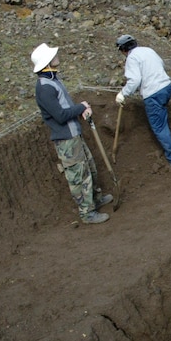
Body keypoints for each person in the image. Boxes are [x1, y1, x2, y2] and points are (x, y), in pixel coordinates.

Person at [32, 43, 114, 225]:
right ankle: (87, 213)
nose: (57, 56)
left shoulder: (53, 80)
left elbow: (65, 107)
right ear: (47, 62)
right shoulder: (45, 88)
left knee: (89, 168)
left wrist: (80, 110)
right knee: (79, 176)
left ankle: (95, 199)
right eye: (53, 55)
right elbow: (60, 116)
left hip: (74, 135)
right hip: (66, 141)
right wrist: (81, 107)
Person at [114, 34, 171, 169]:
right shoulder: (148, 50)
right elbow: (161, 64)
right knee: (162, 120)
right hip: (166, 87)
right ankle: (169, 147)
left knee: (159, 127)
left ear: (123, 49)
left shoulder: (132, 58)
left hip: (153, 93)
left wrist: (123, 94)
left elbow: (134, 80)